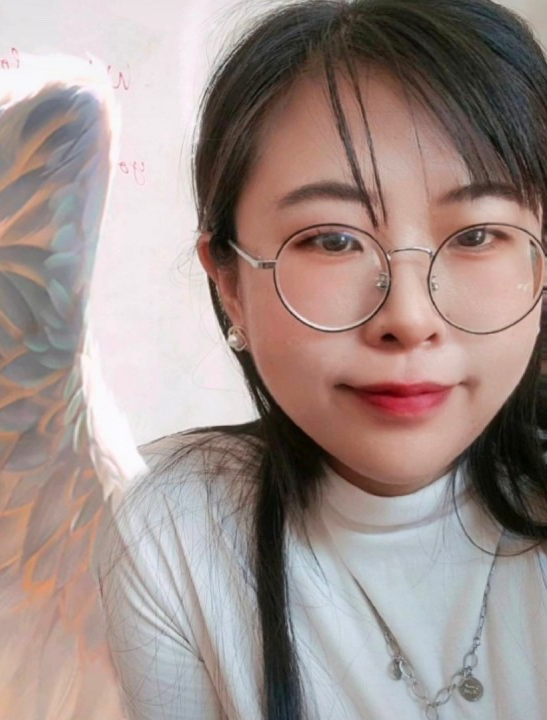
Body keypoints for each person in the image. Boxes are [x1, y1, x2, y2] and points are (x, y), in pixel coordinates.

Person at [97, 1, 547, 718]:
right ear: (230, 284)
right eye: (332, 240)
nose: (409, 318)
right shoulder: (168, 529)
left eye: (477, 235)